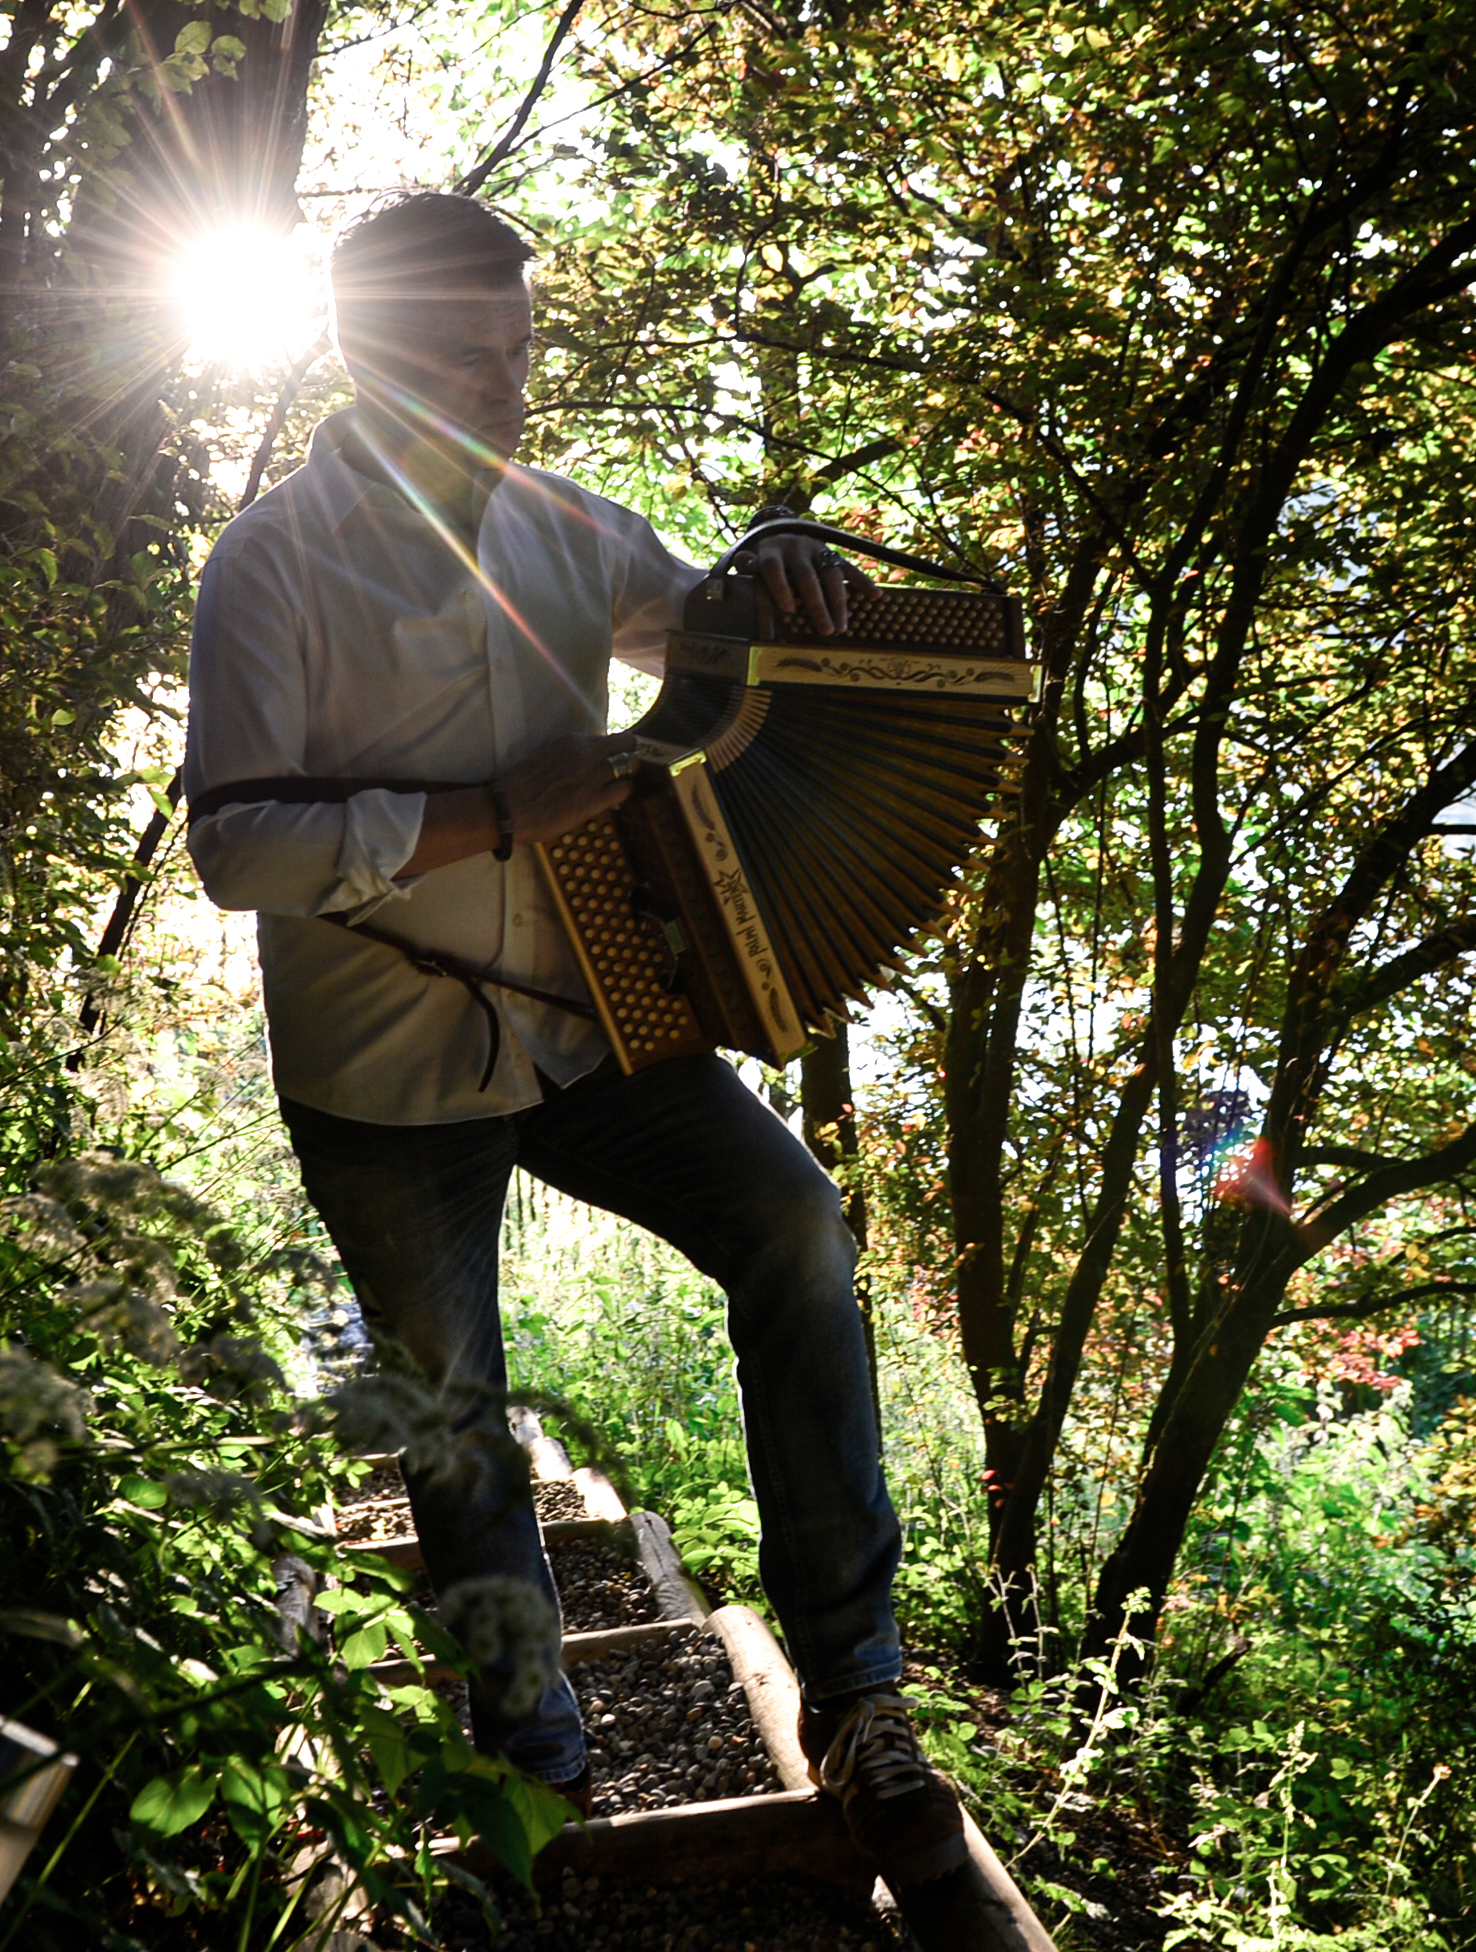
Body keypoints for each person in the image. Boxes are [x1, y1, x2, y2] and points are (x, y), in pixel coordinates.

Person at [183, 192, 965, 1881]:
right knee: (455, 1414)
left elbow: (714, 625)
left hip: (591, 1026)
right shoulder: (270, 563)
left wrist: (779, 565)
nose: (501, 383)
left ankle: (857, 1700)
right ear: (356, 351)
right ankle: (532, 1763)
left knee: (794, 1225)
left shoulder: (561, 526)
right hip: (379, 1072)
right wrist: (482, 813)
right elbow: (236, 844)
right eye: (459, 353)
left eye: (516, 349)